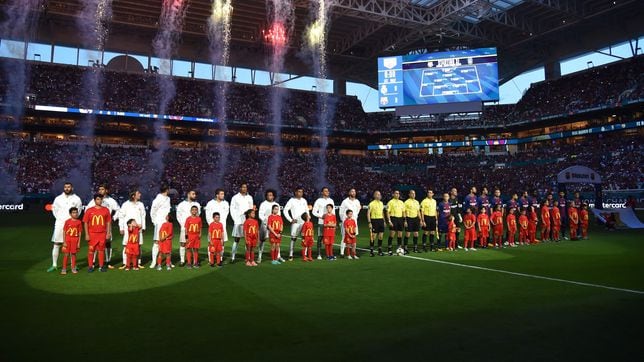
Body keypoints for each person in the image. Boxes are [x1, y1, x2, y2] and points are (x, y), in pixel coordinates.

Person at [48, 182, 83, 272]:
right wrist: (60, 219)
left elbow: (78, 211)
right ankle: (54, 265)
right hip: (60, 223)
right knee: (56, 244)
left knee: (72, 246)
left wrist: (72, 220)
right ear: (64, 188)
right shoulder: (58, 198)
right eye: (65, 187)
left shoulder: (77, 199)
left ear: (72, 188)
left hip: (72, 225)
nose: (67, 188)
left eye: (69, 187)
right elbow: (54, 210)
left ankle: (73, 265)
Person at [86, 184, 120, 269]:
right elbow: (87, 210)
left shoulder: (111, 201)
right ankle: (93, 262)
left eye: (102, 189)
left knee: (108, 243)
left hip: (106, 226)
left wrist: (113, 218)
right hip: (96, 226)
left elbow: (118, 210)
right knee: (94, 245)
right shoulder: (93, 201)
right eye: (99, 189)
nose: (100, 191)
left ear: (106, 190)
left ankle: (107, 261)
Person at [83, 194, 112, 273]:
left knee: (101, 250)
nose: (99, 201)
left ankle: (101, 266)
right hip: (92, 234)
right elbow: (85, 222)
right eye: (98, 199)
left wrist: (108, 233)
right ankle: (90, 266)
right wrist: (86, 234)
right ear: (95, 200)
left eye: (101, 199)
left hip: (102, 233)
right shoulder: (89, 210)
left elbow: (108, 222)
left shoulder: (106, 210)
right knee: (91, 250)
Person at [283, 187, 309, 260]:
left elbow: (307, 210)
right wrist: (290, 220)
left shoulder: (304, 200)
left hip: (304, 223)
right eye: (299, 191)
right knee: (293, 239)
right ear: (295, 192)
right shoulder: (291, 200)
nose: (300, 193)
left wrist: (308, 219)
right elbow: (285, 210)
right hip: (296, 223)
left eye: (301, 192)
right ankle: (291, 254)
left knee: (305, 238)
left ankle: (305, 255)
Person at [230, 183, 254, 264]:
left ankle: (248, 257)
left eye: (246, 187)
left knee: (248, 240)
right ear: (240, 188)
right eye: (243, 187)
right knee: (237, 240)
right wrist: (235, 220)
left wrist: (250, 219)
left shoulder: (249, 197)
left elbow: (251, 209)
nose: (245, 188)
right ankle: (233, 257)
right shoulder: (235, 197)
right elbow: (232, 209)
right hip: (239, 221)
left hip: (248, 222)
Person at [177, 190, 201, 266]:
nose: (195, 195)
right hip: (185, 227)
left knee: (194, 246)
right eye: (193, 194)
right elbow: (178, 215)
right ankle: (182, 260)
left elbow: (198, 215)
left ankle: (194, 261)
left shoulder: (197, 204)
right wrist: (182, 225)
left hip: (194, 230)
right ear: (188, 194)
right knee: (183, 243)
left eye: (195, 194)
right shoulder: (181, 204)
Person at [205, 189, 230, 261]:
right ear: (217, 195)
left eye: (223, 194)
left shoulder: (226, 203)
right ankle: (211, 259)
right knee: (211, 242)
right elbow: (208, 215)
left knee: (222, 242)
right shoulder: (210, 203)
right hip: (213, 227)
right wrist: (212, 224)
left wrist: (220, 224)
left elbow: (226, 214)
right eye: (221, 194)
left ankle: (220, 258)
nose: (223, 195)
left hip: (222, 226)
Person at [150, 185, 171, 268]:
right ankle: (154, 262)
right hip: (159, 223)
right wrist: (155, 221)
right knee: (156, 242)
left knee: (167, 241)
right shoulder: (158, 199)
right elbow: (153, 210)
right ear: (167, 190)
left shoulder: (168, 199)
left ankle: (168, 261)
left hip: (166, 223)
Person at [257, 189, 281, 263]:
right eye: (268, 195)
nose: (269, 196)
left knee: (277, 242)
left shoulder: (277, 205)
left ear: (273, 196)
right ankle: (259, 256)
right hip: (265, 225)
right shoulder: (263, 204)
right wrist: (266, 222)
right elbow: (260, 214)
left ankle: (278, 257)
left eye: (271, 195)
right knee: (262, 240)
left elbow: (279, 215)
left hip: (275, 227)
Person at [312, 187, 335, 258]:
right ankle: (319, 254)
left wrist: (334, 221)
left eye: (328, 191)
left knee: (330, 239)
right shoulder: (319, 200)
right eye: (325, 191)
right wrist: (321, 216)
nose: (327, 192)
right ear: (322, 192)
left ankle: (329, 254)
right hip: (322, 222)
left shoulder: (331, 200)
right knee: (320, 237)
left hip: (330, 224)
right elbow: (314, 212)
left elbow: (333, 212)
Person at [339, 188, 361, 257]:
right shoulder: (345, 201)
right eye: (352, 191)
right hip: (346, 222)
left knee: (353, 237)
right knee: (344, 237)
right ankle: (342, 253)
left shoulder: (357, 201)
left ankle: (353, 253)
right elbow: (341, 212)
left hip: (354, 222)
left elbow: (358, 210)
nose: (353, 192)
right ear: (349, 193)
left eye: (354, 191)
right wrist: (344, 221)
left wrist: (355, 217)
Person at [60, 207, 82, 275]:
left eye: (76, 212)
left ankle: (73, 268)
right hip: (68, 239)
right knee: (66, 254)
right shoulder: (67, 221)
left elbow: (80, 233)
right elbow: (64, 231)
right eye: (73, 212)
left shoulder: (79, 222)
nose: (75, 214)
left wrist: (78, 242)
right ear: (70, 214)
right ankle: (64, 269)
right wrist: (64, 242)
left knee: (73, 254)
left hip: (75, 240)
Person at [386, 190, 405, 255]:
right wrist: (389, 221)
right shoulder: (390, 202)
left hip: (400, 219)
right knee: (392, 234)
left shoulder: (401, 202)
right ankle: (389, 249)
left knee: (400, 234)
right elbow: (387, 212)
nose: (397, 194)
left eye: (398, 193)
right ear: (393, 194)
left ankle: (399, 249)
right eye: (396, 193)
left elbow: (403, 212)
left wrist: (404, 220)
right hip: (393, 218)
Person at [367, 190, 385, 256]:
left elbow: (382, 212)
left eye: (379, 194)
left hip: (381, 220)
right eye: (377, 194)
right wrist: (369, 222)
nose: (379, 195)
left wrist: (384, 221)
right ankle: (371, 251)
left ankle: (379, 250)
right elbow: (368, 213)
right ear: (374, 195)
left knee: (381, 236)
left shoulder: (381, 203)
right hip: (374, 220)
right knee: (373, 236)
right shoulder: (371, 203)